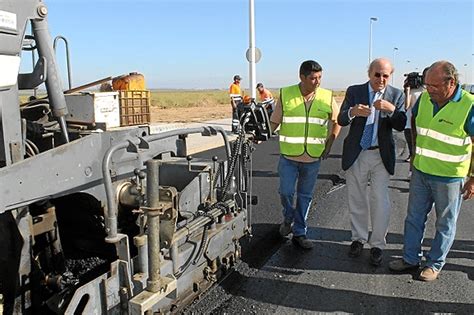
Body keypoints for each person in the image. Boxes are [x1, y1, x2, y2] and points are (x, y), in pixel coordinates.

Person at [389, 61, 474, 281]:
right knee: (414, 218)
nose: (429, 90)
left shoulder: (469, 106)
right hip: (421, 171)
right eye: (427, 85)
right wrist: (414, 154)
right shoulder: (424, 100)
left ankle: (434, 264)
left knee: (445, 223)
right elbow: (415, 125)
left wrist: (473, 177)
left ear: (451, 83)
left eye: (434, 86)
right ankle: (410, 259)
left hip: (449, 177)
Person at [337, 58, 406, 266]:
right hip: (358, 152)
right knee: (356, 197)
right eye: (378, 74)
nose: (381, 79)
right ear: (369, 73)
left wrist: (391, 110)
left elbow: (402, 124)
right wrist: (352, 112)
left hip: (380, 155)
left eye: (386, 75)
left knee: (380, 200)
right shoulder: (354, 91)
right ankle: (358, 238)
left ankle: (377, 244)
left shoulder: (396, 95)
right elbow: (341, 119)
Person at [270, 60, 341, 249]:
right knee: (285, 192)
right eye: (313, 78)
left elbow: (337, 120)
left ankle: (300, 233)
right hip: (289, 157)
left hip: (312, 159)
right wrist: (259, 135)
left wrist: (330, 143)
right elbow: (274, 122)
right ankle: (288, 217)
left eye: (320, 77)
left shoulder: (327, 96)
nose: (317, 82)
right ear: (301, 77)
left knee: (305, 196)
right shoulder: (286, 94)